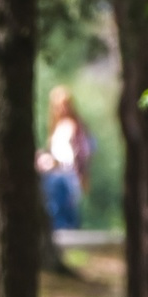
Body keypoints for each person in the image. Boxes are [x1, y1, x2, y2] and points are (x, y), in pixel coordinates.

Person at [38, 85, 92, 233]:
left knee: (64, 212)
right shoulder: (56, 128)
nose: (61, 109)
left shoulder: (76, 127)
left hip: (68, 176)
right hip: (56, 176)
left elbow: (83, 154)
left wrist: (82, 175)